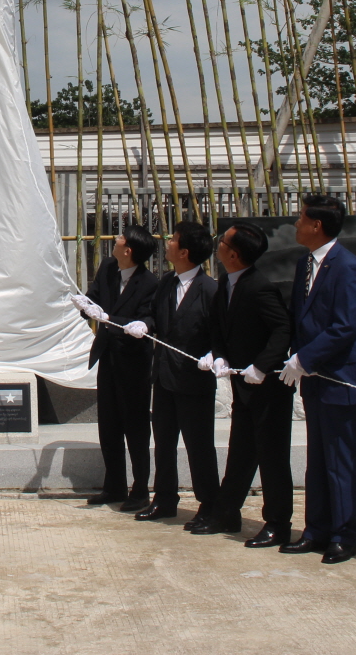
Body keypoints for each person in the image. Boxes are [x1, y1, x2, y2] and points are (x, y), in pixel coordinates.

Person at [278, 194, 356, 564]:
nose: (296, 224)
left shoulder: (346, 266)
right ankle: (316, 529)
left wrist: (303, 358)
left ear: (317, 225)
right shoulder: (307, 263)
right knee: (318, 460)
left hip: (342, 378)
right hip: (315, 378)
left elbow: (344, 327)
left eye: (301, 218)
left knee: (342, 461)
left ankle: (344, 534)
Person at [190, 221, 294, 546]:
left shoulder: (260, 287)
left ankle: (278, 523)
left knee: (272, 458)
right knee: (241, 452)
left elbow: (283, 330)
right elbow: (219, 327)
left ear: (232, 254)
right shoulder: (226, 282)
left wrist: (262, 367)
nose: (217, 244)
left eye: (223, 241)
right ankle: (227, 512)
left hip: (269, 389)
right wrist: (218, 355)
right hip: (243, 387)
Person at [134, 220, 220, 529]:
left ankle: (210, 504)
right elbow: (153, 315)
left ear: (184, 251)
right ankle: (165, 499)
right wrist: (144, 324)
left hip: (194, 382)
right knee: (164, 443)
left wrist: (215, 354)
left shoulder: (210, 289)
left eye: (173, 240)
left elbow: (219, 333)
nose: (167, 242)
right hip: (164, 378)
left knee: (199, 446)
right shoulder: (166, 283)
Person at [73, 225, 160, 512]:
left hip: (133, 362)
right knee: (108, 424)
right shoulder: (109, 267)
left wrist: (121, 320)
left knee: (134, 427)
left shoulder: (149, 283)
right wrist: (84, 304)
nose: (116, 239)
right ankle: (114, 486)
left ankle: (140, 489)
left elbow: (149, 320)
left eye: (121, 237)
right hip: (108, 357)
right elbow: (94, 297)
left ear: (129, 250)